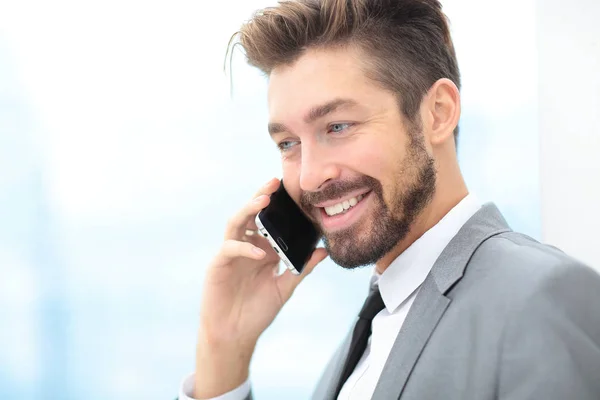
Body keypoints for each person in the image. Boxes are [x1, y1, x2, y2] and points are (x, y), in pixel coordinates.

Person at [178, 0, 600, 399]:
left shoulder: (540, 300)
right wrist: (223, 350)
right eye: (288, 143)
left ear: (437, 112)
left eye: (338, 126)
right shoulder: (363, 344)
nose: (308, 176)